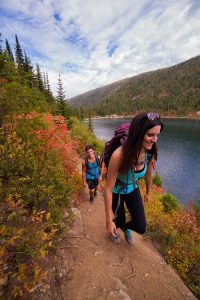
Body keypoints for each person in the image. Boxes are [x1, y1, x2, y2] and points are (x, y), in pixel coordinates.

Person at [104, 112, 164, 245]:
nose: (154, 140)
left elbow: (148, 174)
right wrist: (108, 219)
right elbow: (108, 188)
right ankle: (114, 228)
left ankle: (125, 227)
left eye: (157, 135)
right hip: (116, 191)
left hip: (133, 187)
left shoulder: (150, 152)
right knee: (116, 221)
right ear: (138, 133)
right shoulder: (119, 155)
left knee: (141, 226)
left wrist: (148, 192)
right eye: (150, 135)